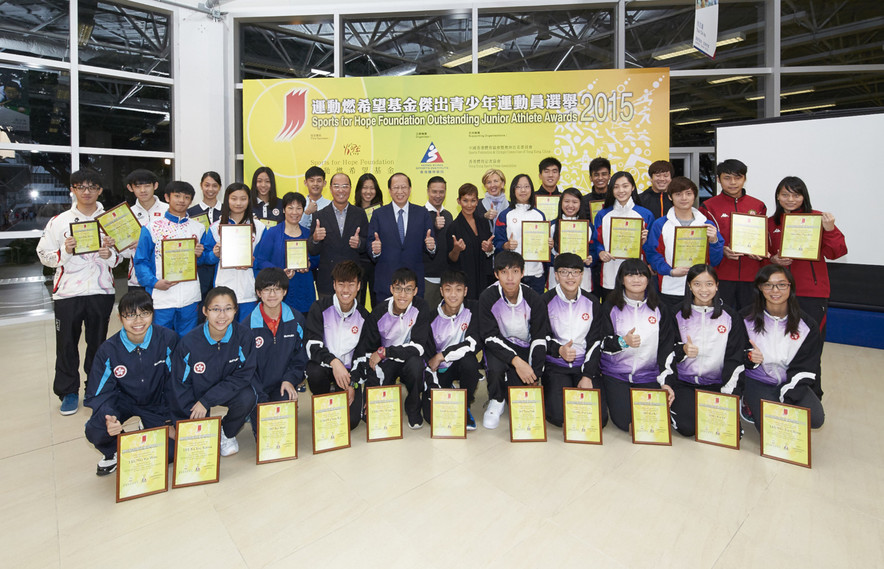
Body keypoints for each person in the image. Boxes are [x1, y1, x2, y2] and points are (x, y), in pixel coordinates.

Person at [37, 168, 118, 415]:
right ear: (72, 190)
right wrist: (65, 251)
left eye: (92, 187)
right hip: (68, 294)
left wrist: (110, 254)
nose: (86, 192)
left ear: (100, 191)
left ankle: (95, 388)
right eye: (81, 187)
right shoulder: (59, 221)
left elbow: (121, 258)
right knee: (67, 344)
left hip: (100, 291)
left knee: (97, 344)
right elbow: (44, 255)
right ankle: (68, 391)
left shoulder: (111, 220)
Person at [768, 176, 846, 400]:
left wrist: (829, 229)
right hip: (777, 295)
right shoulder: (771, 223)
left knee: (810, 346)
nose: (790, 199)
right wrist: (773, 259)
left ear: (804, 196)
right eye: (785, 194)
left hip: (812, 294)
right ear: (777, 197)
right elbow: (764, 258)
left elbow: (837, 252)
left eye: (796, 194)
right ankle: (780, 392)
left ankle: (811, 395)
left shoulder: (817, 218)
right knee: (780, 346)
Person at [83, 291, 178, 475]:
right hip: (123, 401)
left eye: (144, 313)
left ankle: (149, 427)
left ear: (152, 313)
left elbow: (177, 383)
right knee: (96, 429)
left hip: (157, 403)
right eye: (130, 315)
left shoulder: (168, 339)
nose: (138, 321)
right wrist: (109, 417)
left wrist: (169, 421)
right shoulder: (108, 350)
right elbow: (99, 392)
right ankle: (114, 452)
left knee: (171, 453)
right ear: (120, 317)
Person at [168, 286, 258, 457]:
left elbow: (243, 375)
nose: (222, 315)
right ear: (205, 311)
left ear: (235, 311)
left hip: (226, 389)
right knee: (190, 451)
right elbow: (180, 385)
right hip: (196, 393)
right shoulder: (189, 343)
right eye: (215, 309)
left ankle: (227, 432)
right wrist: (185, 418)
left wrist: (207, 401)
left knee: (248, 396)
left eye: (228, 309)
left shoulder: (244, 336)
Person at [740, 265, 825, 431]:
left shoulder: (807, 326)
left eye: (781, 284)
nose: (775, 290)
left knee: (815, 419)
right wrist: (749, 357)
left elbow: (807, 367)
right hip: (757, 380)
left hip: (790, 380)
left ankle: (777, 403)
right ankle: (747, 403)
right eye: (768, 285)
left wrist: (787, 399)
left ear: (790, 287)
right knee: (770, 428)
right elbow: (735, 354)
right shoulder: (744, 318)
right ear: (760, 288)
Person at [667, 265, 746, 437]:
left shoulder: (730, 316)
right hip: (684, 382)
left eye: (709, 284)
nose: (703, 290)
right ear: (689, 286)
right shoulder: (676, 313)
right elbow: (666, 351)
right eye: (697, 284)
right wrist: (682, 350)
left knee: (726, 433)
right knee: (688, 428)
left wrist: (729, 393)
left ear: (717, 285)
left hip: (717, 384)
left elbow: (736, 358)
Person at [599, 259, 675, 433]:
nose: (636, 279)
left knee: (652, 421)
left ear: (648, 279)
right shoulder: (610, 306)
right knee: (625, 422)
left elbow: (666, 347)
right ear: (621, 279)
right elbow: (601, 343)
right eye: (630, 275)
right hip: (616, 374)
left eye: (641, 275)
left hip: (648, 375)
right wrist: (622, 341)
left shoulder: (660, 308)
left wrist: (666, 381)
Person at [478, 251, 549, 429]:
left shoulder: (534, 299)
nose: (510, 278)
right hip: (499, 346)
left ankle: (512, 386)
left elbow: (540, 337)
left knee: (521, 394)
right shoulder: (487, 297)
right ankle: (496, 399)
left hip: (525, 347)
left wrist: (535, 373)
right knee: (494, 366)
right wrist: (517, 362)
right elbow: (490, 337)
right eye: (504, 272)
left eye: (515, 272)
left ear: (523, 273)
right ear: (496, 274)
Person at [134, 180, 212, 337]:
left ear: (191, 201)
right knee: (161, 340)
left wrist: (200, 254)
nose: (181, 200)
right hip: (162, 295)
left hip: (190, 297)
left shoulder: (199, 228)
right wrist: (154, 283)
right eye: (177, 196)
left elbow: (203, 259)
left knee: (188, 340)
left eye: (186, 197)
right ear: (167, 197)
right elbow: (141, 261)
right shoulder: (151, 228)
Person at [304, 261, 372, 431]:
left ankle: (342, 390)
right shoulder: (319, 308)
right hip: (326, 366)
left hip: (349, 372)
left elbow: (362, 355)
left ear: (359, 286)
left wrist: (353, 383)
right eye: (341, 284)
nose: (346, 290)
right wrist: (334, 362)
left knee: (350, 423)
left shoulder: (364, 317)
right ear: (334, 285)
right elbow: (312, 345)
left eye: (351, 284)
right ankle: (324, 399)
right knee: (314, 371)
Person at [363, 267, 434, 429]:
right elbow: (371, 353)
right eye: (398, 289)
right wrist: (369, 393)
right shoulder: (379, 312)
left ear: (415, 291)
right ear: (391, 289)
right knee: (370, 417)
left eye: (408, 289)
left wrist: (386, 351)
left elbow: (418, 348)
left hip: (408, 359)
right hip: (387, 362)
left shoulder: (421, 307)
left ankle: (413, 407)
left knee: (417, 364)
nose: (403, 295)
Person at [542, 253, 604, 428]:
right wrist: (558, 350)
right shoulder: (545, 301)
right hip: (556, 365)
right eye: (564, 272)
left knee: (600, 419)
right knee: (559, 417)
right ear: (556, 275)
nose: (570, 277)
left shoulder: (592, 302)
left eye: (575, 272)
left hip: (583, 364)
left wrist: (587, 375)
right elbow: (540, 337)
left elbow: (595, 341)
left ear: (582, 275)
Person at [644, 176, 724, 308]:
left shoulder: (707, 225)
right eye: (678, 194)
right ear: (670, 197)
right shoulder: (660, 224)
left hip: (701, 290)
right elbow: (652, 253)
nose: (684, 198)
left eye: (688, 193)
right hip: (670, 287)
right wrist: (670, 271)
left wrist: (714, 241)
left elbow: (715, 261)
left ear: (694, 196)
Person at [245, 268, 307, 436]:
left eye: (277, 289)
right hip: (257, 389)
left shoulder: (296, 320)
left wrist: (289, 379)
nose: (272, 294)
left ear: (284, 291)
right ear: (259, 292)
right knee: (265, 438)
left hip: (282, 384)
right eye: (266, 289)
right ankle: (250, 413)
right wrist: (260, 396)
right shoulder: (247, 325)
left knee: (280, 436)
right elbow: (246, 367)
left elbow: (300, 358)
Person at [699, 159, 767, 311]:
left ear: (745, 179)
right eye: (727, 178)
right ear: (718, 179)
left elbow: (763, 237)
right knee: (722, 319)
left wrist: (760, 251)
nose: (733, 182)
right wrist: (721, 249)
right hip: (721, 275)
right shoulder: (708, 207)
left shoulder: (758, 205)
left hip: (752, 275)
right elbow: (703, 243)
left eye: (738, 177)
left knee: (750, 321)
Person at [422, 270, 482, 430]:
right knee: (430, 417)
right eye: (448, 289)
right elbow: (428, 359)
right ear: (441, 291)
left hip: (461, 364)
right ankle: (447, 388)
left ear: (465, 291)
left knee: (470, 362)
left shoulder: (473, 309)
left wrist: (442, 355)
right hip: (440, 372)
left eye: (458, 289)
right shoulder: (430, 318)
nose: (453, 295)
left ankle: (465, 404)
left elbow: (473, 343)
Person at [367, 172, 437, 300]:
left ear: (410, 189)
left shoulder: (422, 213)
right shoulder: (378, 214)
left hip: (413, 285)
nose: (400, 191)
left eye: (404, 187)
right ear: (389, 190)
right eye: (396, 187)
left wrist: (431, 247)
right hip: (386, 283)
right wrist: (375, 250)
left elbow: (431, 244)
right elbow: (370, 244)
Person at [203, 182, 265, 321]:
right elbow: (205, 258)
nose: (238, 203)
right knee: (224, 330)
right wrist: (214, 254)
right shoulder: (215, 228)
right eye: (234, 198)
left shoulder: (259, 228)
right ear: (227, 200)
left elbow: (265, 258)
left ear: (249, 200)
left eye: (243, 199)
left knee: (246, 332)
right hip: (223, 288)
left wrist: (253, 262)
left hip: (250, 291)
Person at [593, 171, 654, 301]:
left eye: (625, 186)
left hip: (637, 276)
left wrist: (645, 242)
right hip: (610, 273)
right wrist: (600, 252)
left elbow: (653, 248)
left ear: (632, 188)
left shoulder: (645, 214)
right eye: (616, 187)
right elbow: (595, 242)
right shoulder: (603, 215)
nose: (621, 190)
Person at [255, 191, 319, 315]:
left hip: (304, 289)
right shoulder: (272, 233)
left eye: (299, 208)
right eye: (290, 208)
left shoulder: (308, 233)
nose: (294, 212)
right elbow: (261, 260)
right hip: (279, 291)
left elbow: (317, 258)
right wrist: (279, 272)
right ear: (283, 210)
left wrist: (309, 264)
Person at [308, 173, 368, 302]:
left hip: (353, 280)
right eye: (336, 186)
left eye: (345, 186)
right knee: (328, 320)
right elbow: (312, 250)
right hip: (327, 280)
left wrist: (359, 243)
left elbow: (367, 245)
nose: (341, 190)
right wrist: (315, 239)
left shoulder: (360, 214)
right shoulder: (319, 215)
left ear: (350, 189)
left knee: (354, 320)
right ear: (330, 189)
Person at [493, 174, 549, 295]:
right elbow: (497, 242)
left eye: (526, 186)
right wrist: (506, 245)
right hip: (512, 275)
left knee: (535, 311)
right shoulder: (505, 215)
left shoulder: (539, 215)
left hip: (536, 273)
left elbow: (544, 245)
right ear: (513, 190)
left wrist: (548, 244)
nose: (523, 190)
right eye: (518, 187)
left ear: (531, 189)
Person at [120, 169, 168, 292]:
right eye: (138, 186)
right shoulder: (127, 214)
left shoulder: (169, 210)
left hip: (165, 279)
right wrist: (130, 246)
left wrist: (144, 244)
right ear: (130, 188)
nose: (143, 190)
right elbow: (123, 253)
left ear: (155, 186)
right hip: (137, 281)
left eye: (147, 186)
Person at [448, 183, 494, 300]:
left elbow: (489, 250)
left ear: (477, 201)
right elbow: (451, 258)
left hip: (484, 278)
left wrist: (489, 248)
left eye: (473, 201)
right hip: (465, 281)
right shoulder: (454, 227)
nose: (469, 205)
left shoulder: (483, 222)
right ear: (459, 201)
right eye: (465, 200)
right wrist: (456, 250)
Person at [188, 171, 223, 312]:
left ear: (220, 188)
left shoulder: (227, 211)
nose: (210, 189)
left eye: (215, 185)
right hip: (199, 268)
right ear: (201, 186)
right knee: (201, 308)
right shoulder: (190, 212)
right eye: (207, 185)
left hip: (221, 266)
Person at [549, 187, 594, 293]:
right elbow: (546, 259)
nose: (570, 205)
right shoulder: (552, 226)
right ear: (561, 203)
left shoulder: (588, 227)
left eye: (575, 202)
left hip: (582, 279)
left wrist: (590, 259)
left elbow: (594, 251)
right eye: (566, 201)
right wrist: (552, 257)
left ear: (580, 204)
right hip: (556, 279)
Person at [352, 173, 383, 307]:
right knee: (358, 302)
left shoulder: (383, 212)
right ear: (359, 190)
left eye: (372, 188)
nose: (368, 192)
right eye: (365, 188)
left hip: (378, 264)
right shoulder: (352, 211)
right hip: (359, 263)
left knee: (378, 302)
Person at [423, 176, 453, 309]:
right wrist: (435, 227)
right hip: (427, 278)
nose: (438, 195)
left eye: (441, 191)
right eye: (434, 191)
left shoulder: (448, 215)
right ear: (428, 191)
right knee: (426, 319)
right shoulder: (419, 214)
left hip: (446, 278)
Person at [302, 165, 331, 230]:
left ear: (324, 183)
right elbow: (296, 229)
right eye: (312, 181)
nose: (315, 184)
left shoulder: (330, 205)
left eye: (319, 181)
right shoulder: (299, 204)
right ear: (305, 183)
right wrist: (307, 213)